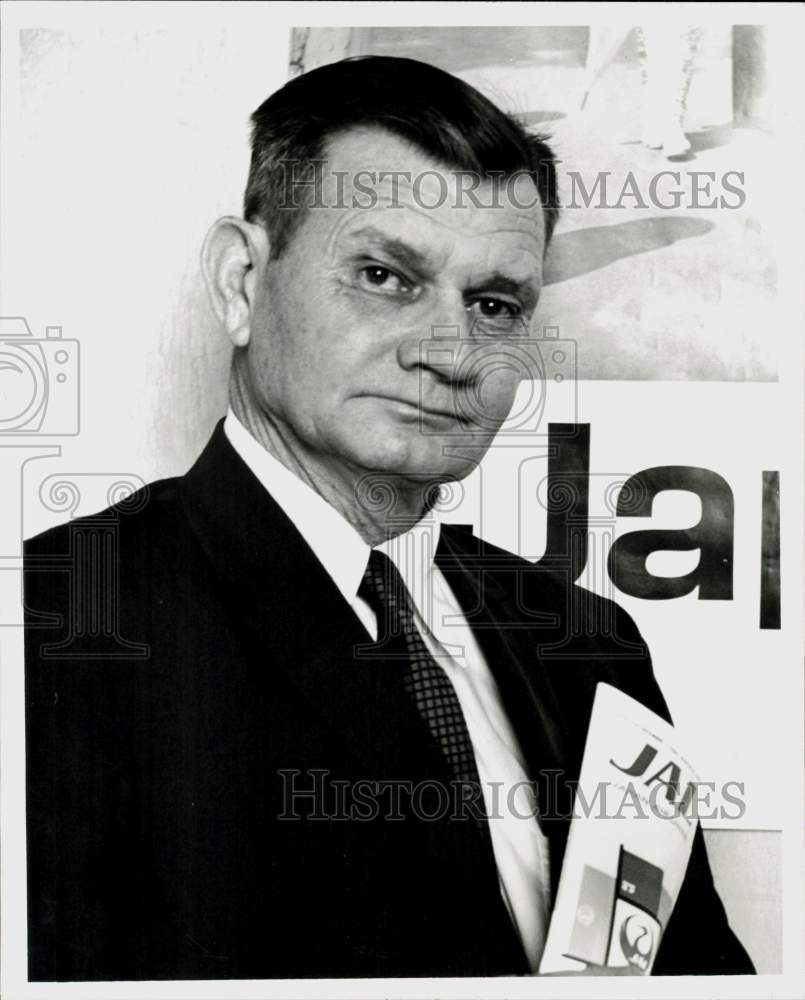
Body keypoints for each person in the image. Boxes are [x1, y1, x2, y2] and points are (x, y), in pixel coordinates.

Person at [24, 55, 753, 981]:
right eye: (384, 275)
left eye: (493, 304)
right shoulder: (55, 627)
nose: (452, 353)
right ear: (241, 282)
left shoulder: (590, 642)